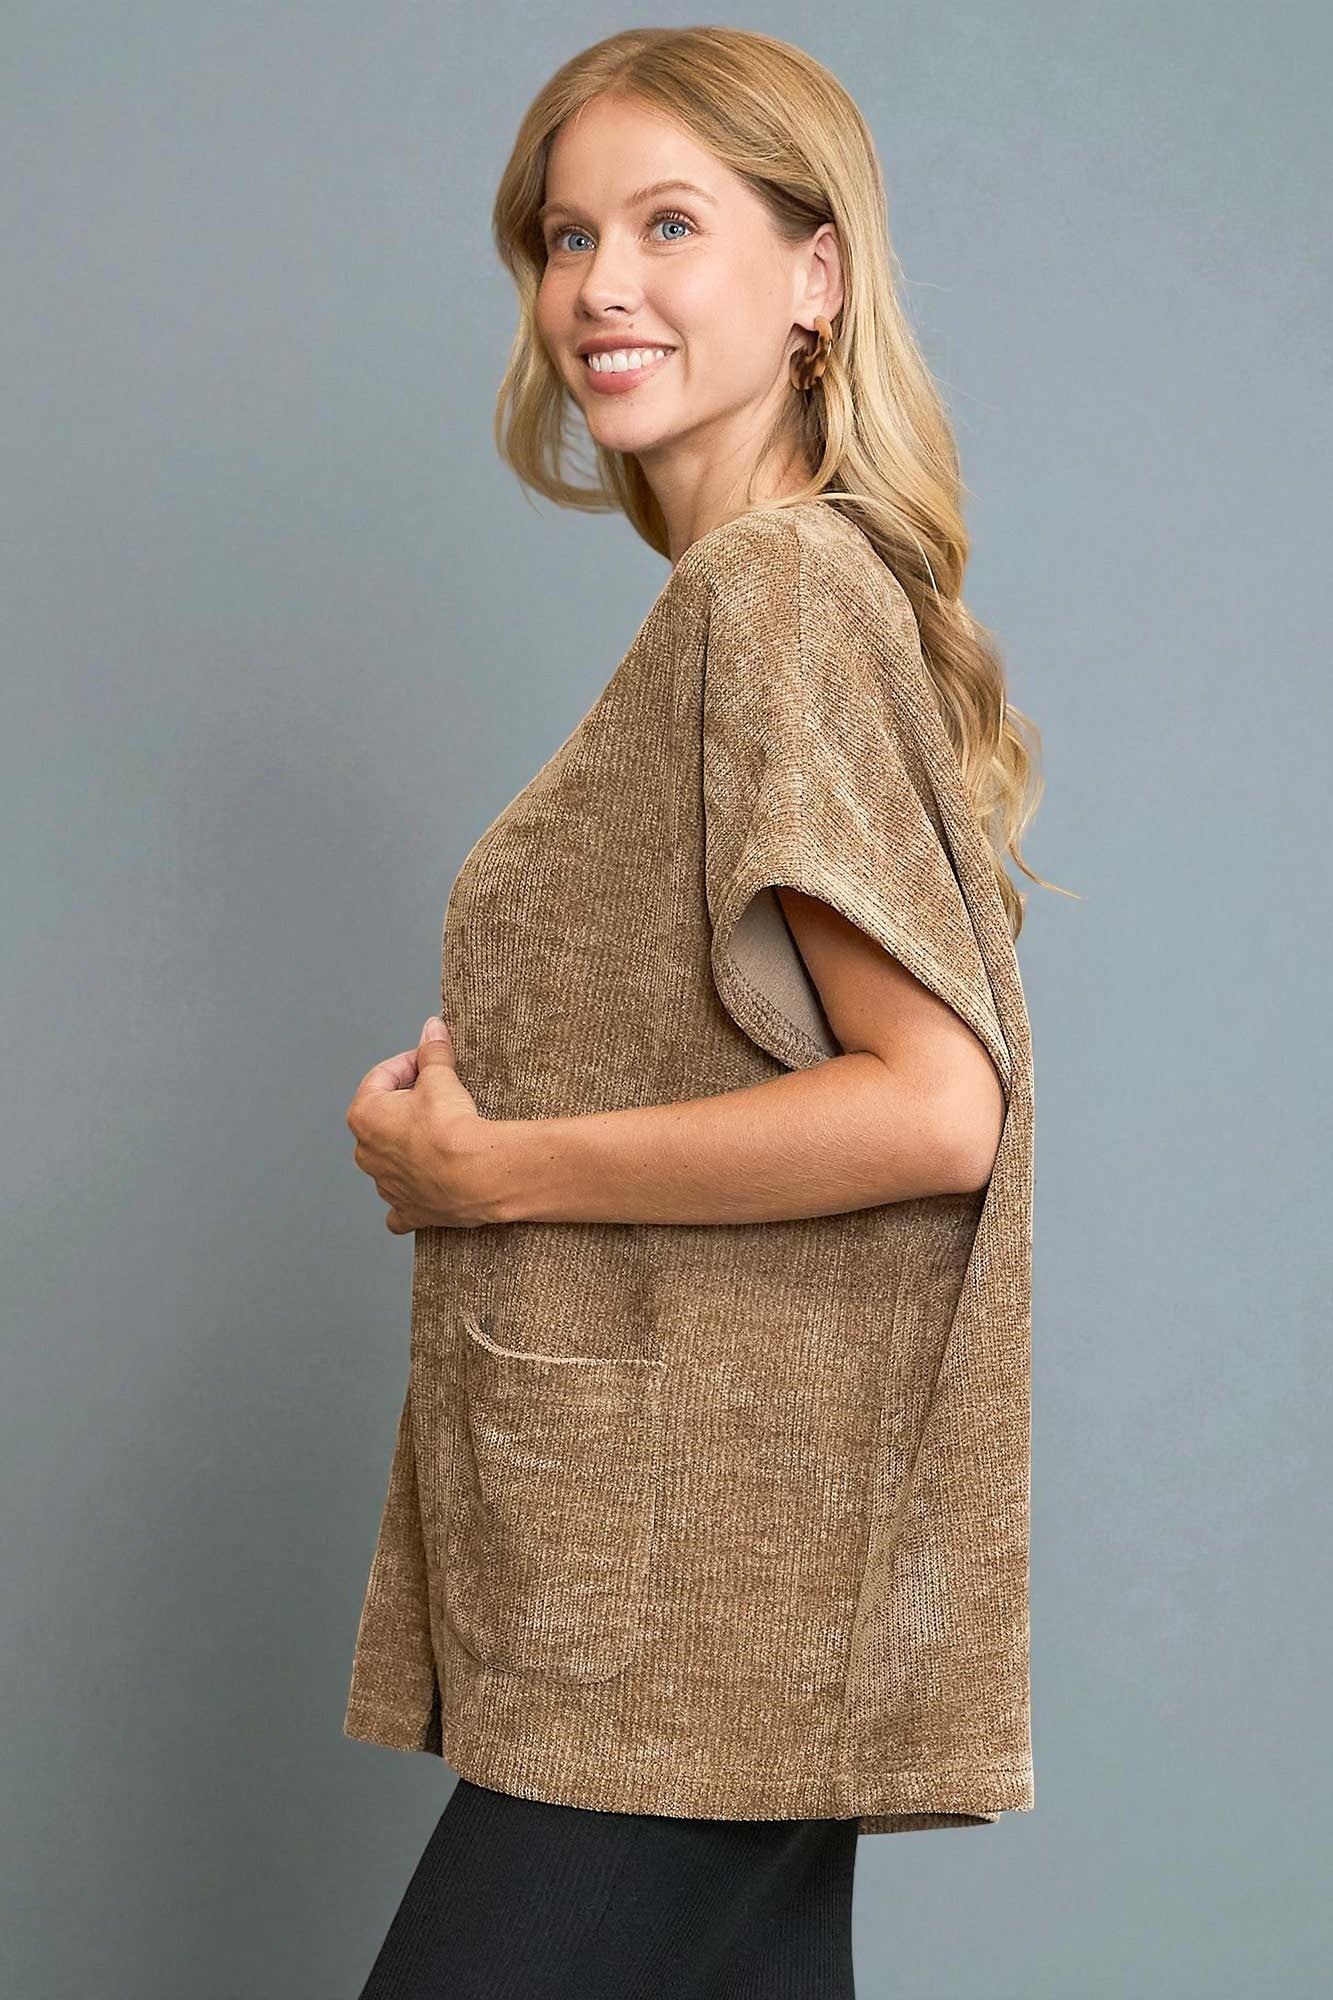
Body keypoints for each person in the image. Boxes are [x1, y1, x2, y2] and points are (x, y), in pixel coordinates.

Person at [342, 25, 1066, 1999]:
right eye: (568, 238)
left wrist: (483, 1170)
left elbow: (931, 1109)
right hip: (733, 1580)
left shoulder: (773, 591)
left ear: (814, 274)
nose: (602, 289)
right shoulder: (776, 594)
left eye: (673, 224)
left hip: (677, 1615)